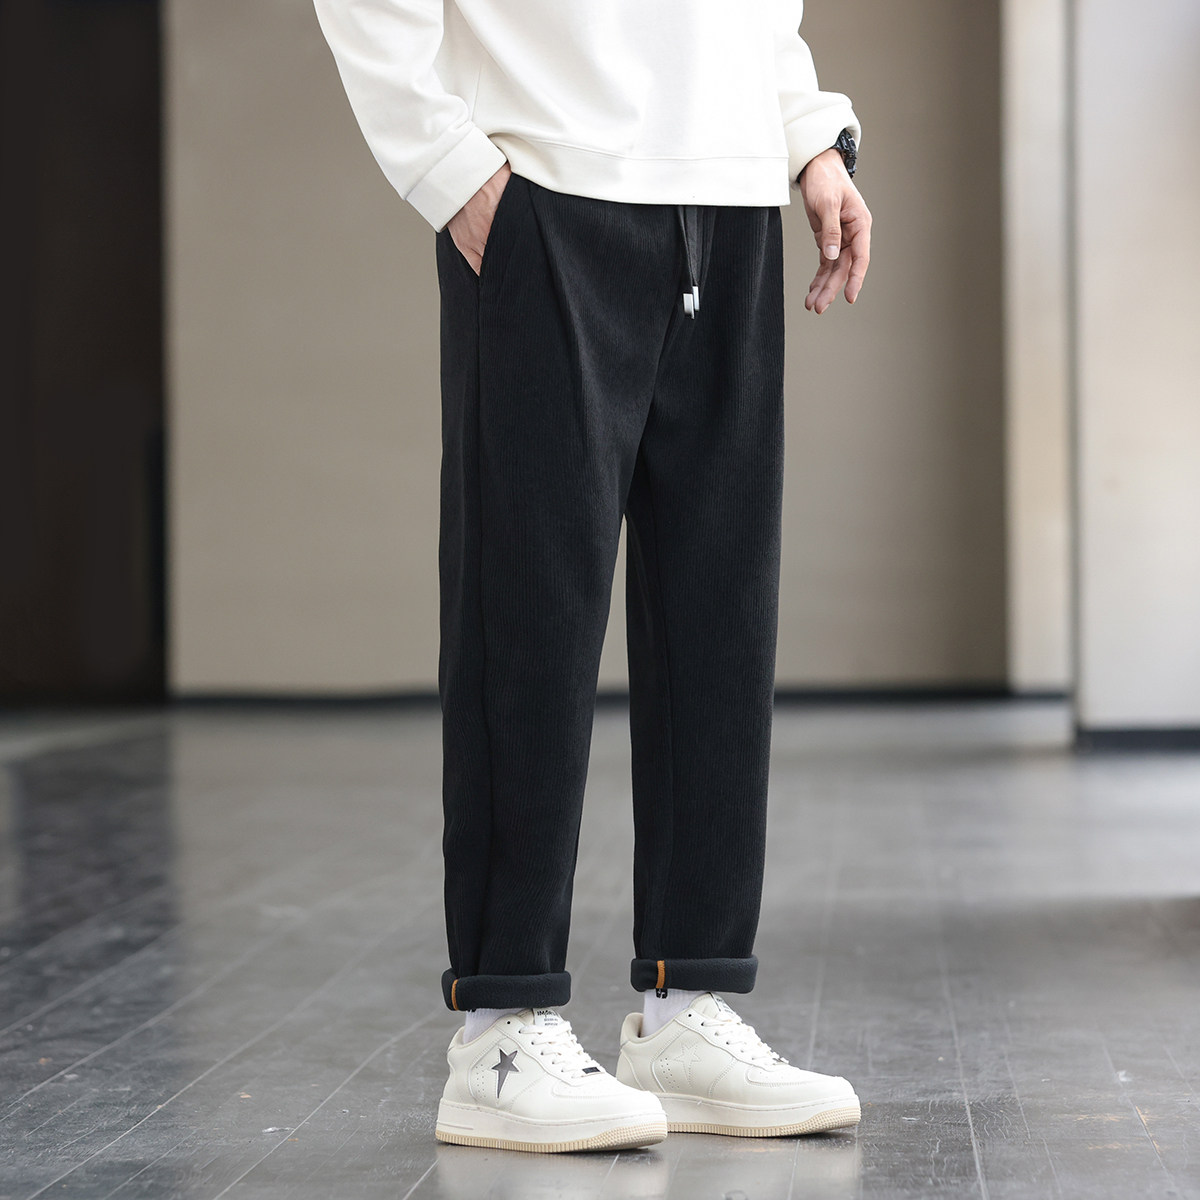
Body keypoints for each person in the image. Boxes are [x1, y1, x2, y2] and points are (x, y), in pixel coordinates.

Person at [313, 0, 872, 1154]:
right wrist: (451, 170)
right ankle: (501, 1032)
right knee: (530, 612)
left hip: (732, 198)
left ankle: (686, 1008)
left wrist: (806, 135)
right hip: (547, 187)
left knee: (722, 617)